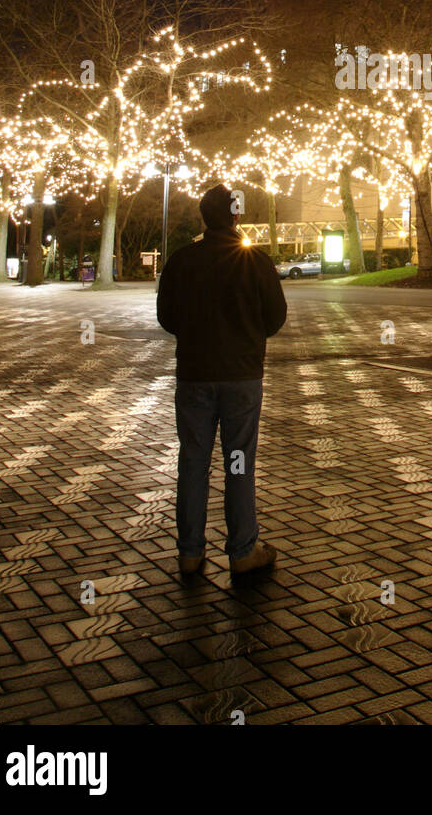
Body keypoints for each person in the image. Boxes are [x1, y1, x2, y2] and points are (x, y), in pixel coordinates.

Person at [157, 183, 287, 578]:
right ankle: (242, 549)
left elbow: (167, 317)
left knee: (193, 462)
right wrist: (248, 335)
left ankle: (190, 552)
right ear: (235, 216)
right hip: (241, 375)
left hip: (195, 375)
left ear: (203, 217)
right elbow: (275, 317)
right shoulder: (255, 261)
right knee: (238, 462)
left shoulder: (182, 261)